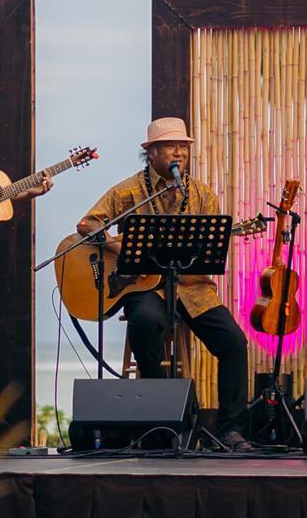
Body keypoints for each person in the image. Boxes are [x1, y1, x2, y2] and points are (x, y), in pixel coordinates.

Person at [78, 119, 250, 436]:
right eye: (172, 146)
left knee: (234, 343)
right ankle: (161, 420)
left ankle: (232, 429)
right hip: (147, 290)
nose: (179, 152)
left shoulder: (202, 195)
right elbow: (87, 224)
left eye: (184, 147)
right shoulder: (130, 191)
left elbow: (209, 254)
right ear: (153, 152)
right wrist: (120, 245)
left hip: (192, 289)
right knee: (144, 323)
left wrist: (203, 249)